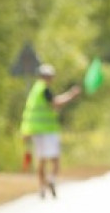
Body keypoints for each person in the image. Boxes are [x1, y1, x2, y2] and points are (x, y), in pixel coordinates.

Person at [20, 63, 81, 198]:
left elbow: (30, 113)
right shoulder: (44, 89)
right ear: (48, 77)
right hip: (48, 129)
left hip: (35, 130)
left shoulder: (35, 90)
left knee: (41, 159)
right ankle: (51, 180)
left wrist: (25, 131)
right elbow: (56, 103)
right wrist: (71, 94)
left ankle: (42, 187)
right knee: (54, 158)